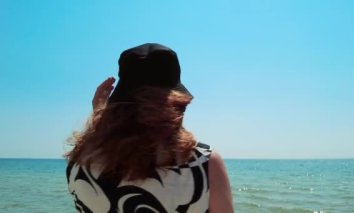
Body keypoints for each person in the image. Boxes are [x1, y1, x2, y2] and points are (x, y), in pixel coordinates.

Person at [65, 43, 233, 213]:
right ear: (176, 104)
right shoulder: (201, 164)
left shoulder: (80, 162)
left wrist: (100, 119)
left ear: (117, 103)